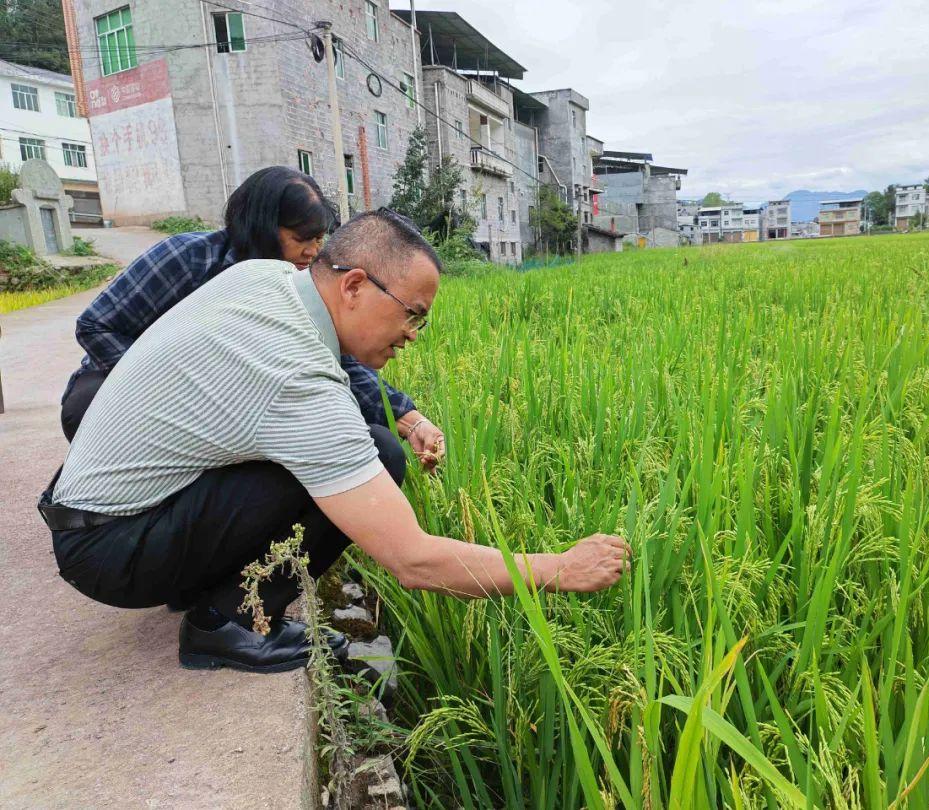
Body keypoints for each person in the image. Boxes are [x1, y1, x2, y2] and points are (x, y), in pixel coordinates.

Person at [39, 209, 630, 674]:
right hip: (110, 551)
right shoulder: (295, 378)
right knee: (372, 456)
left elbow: (351, 383)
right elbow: (414, 561)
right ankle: (223, 622)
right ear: (352, 286)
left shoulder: (265, 279)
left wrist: (405, 413)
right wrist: (558, 568)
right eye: (413, 315)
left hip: (97, 515)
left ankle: (206, 589)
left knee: (371, 444)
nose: (412, 336)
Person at [59, 166, 445, 480]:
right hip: (134, 394)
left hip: (236, 412)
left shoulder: (299, 286)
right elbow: (96, 325)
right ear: (261, 225)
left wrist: (409, 420)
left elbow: (340, 361)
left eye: (319, 240)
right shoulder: (188, 258)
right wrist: (169, 389)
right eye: (301, 239)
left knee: (376, 446)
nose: (312, 252)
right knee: (87, 403)